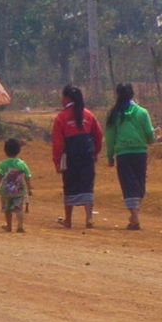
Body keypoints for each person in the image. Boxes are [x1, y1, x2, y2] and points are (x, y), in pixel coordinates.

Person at [105, 83, 157, 230]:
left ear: (117, 95)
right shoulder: (142, 112)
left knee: (128, 185)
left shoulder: (114, 114)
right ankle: (134, 216)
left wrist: (110, 156)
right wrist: (152, 139)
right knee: (139, 185)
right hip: (140, 153)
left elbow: (110, 137)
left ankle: (134, 216)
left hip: (123, 154)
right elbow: (149, 134)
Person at [51, 84, 103, 229]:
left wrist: (57, 161)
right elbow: (98, 135)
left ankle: (68, 220)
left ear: (67, 98)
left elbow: (58, 143)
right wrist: (95, 152)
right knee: (87, 184)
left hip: (70, 155)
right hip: (87, 153)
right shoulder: (89, 115)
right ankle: (89, 218)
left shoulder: (61, 117)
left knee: (70, 185)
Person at [0, 137, 33, 233]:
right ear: (19, 151)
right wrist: (30, 189)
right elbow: (27, 176)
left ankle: (9, 226)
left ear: (5, 151)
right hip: (19, 191)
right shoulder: (22, 164)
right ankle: (20, 226)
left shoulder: (2, 164)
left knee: (7, 210)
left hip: (6, 191)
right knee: (19, 209)